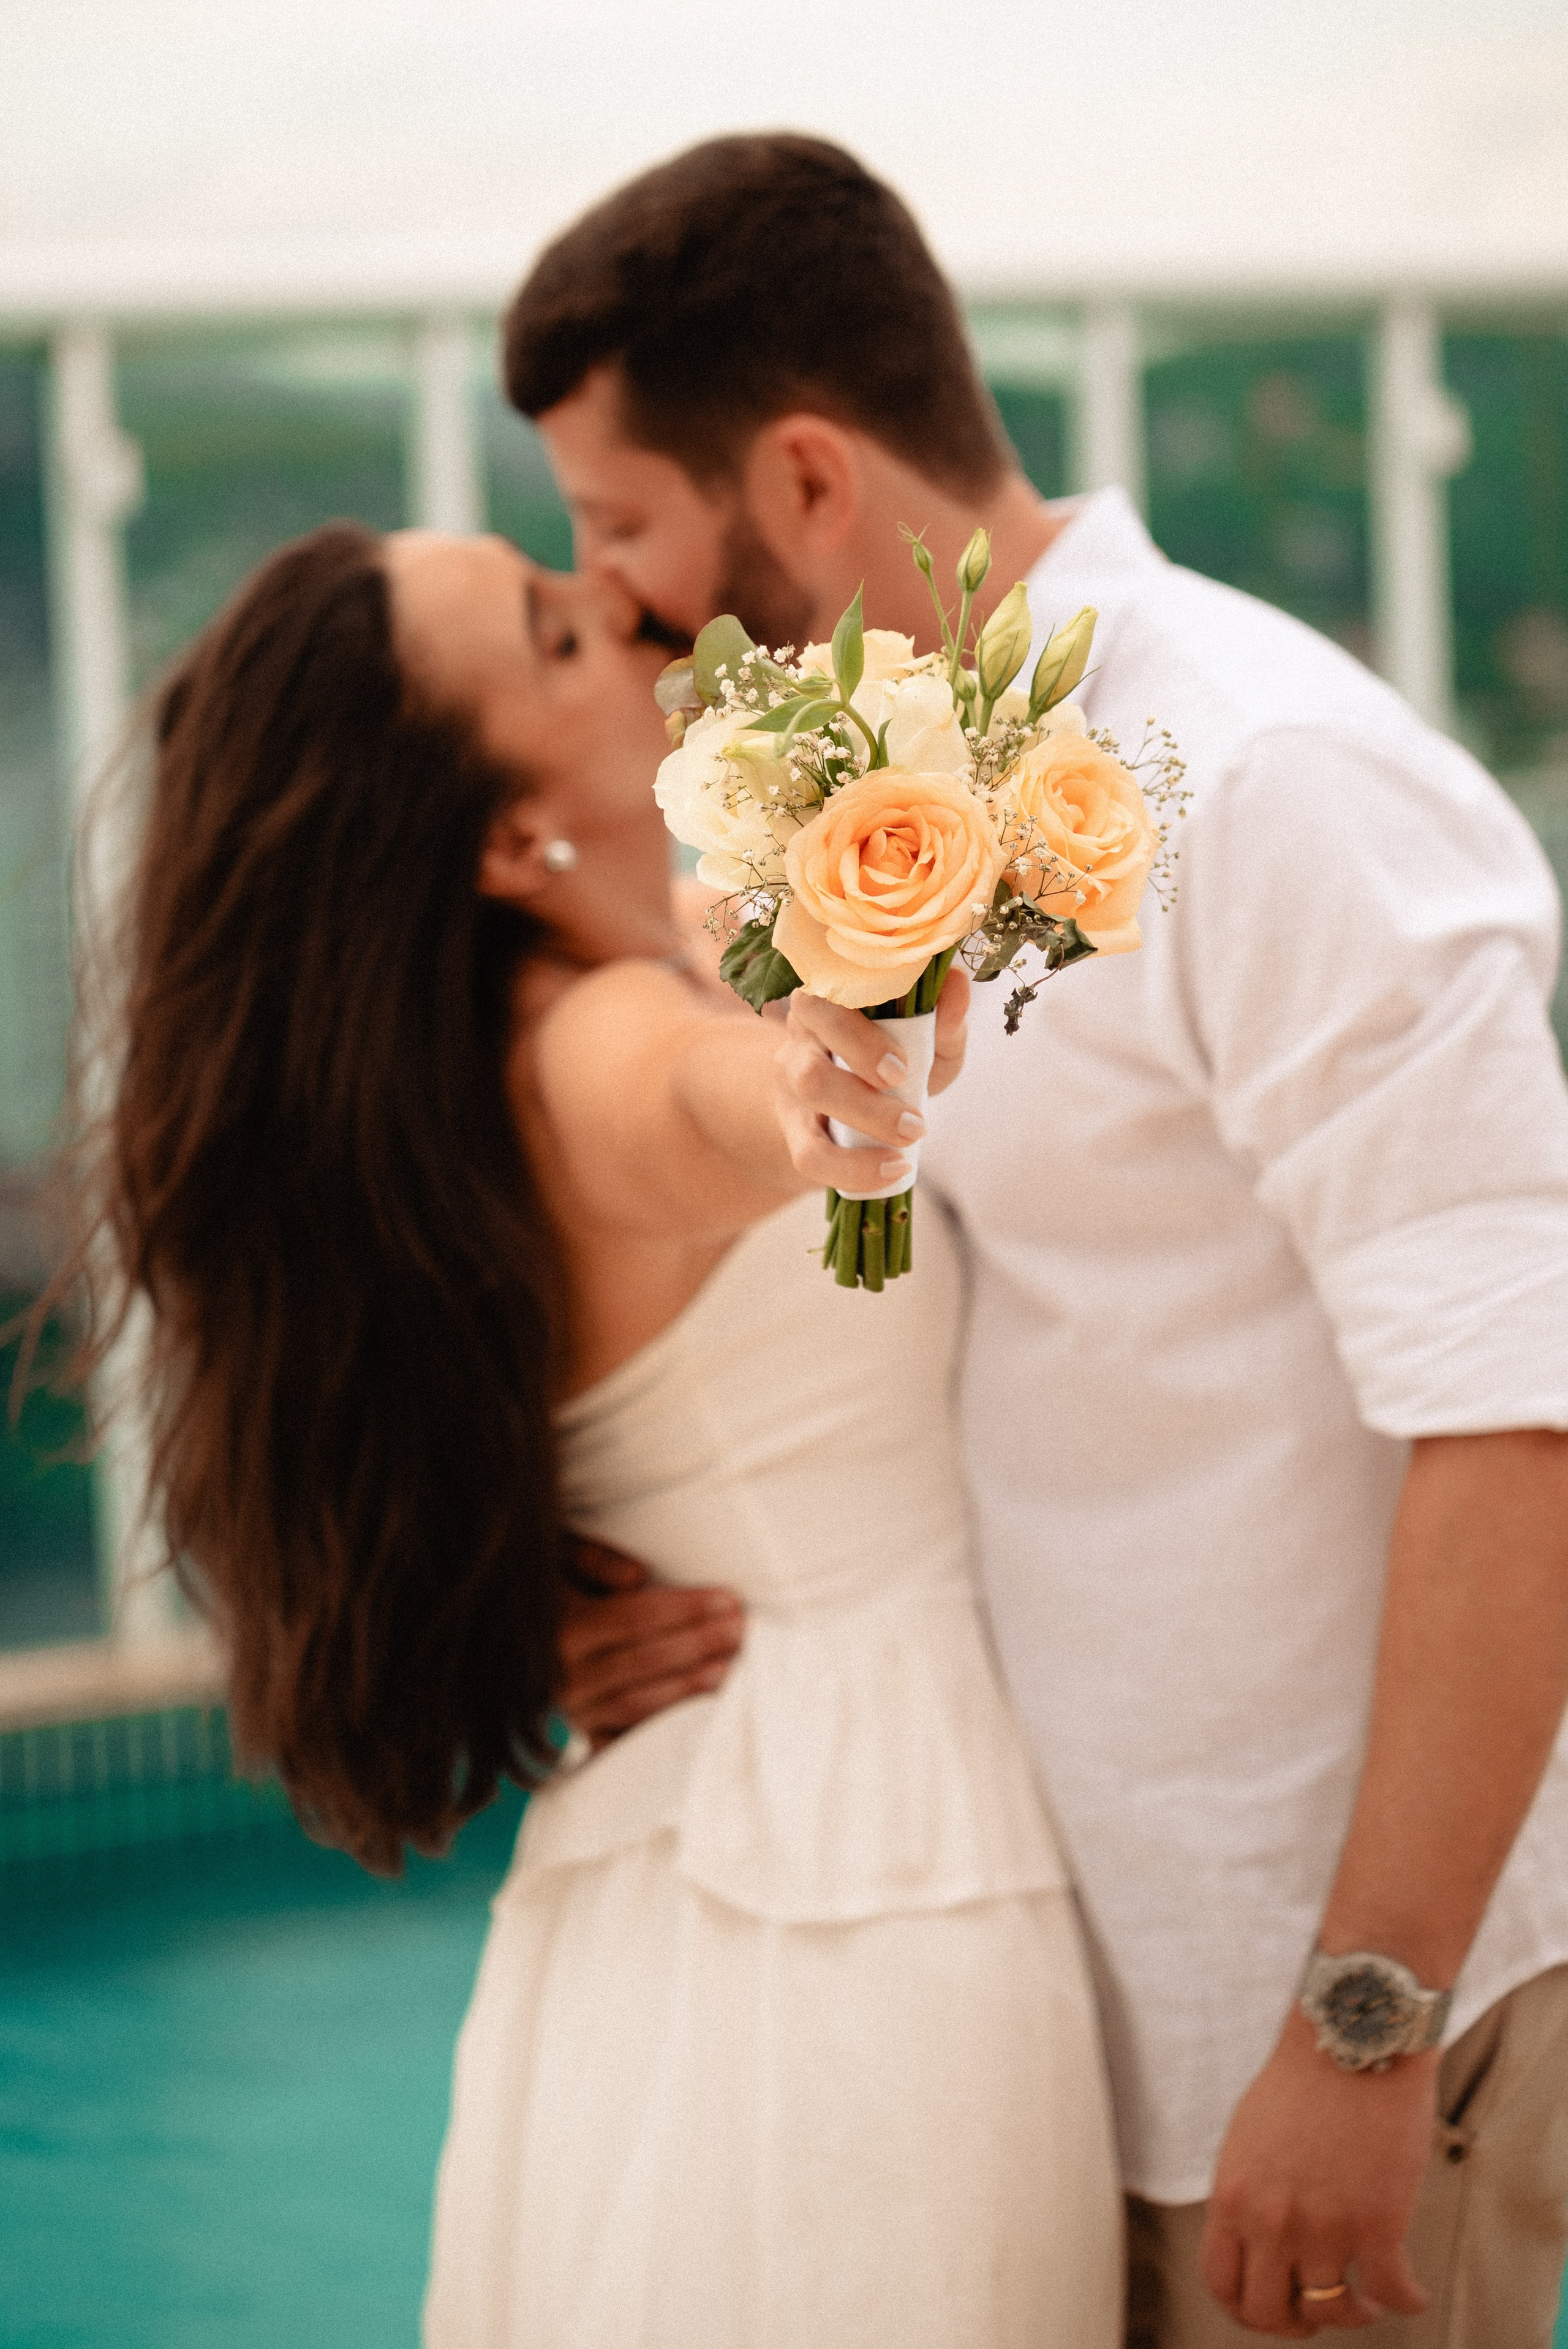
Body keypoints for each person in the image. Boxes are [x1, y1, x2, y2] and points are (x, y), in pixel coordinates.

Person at [505, 132, 1568, 2343]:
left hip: (1312, 2040)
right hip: (1030, 2026)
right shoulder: (860, 791)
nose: (610, 604)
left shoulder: (1272, 780)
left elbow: (1523, 1415)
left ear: (806, 482)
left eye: (621, 528)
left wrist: (1362, 2027)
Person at [62, 519, 1123, 2345]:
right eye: (558, 637)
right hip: (851, 1886)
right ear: (503, 835)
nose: (626, 613)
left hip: (672, 1886)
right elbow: (703, 1102)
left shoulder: (463, 1094)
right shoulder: (592, 1044)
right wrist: (809, 1076)